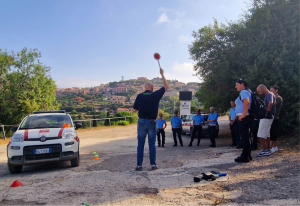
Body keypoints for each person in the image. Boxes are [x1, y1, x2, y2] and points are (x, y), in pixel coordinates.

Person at [133, 68, 169, 171]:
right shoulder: (155, 95)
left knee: (140, 144)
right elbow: (166, 86)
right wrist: (162, 74)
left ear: (145, 88)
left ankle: (139, 166)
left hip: (141, 122)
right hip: (153, 122)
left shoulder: (139, 96)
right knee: (152, 144)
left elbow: (134, 110)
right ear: (152, 88)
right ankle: (153, 165)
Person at [234, 78, 253, 163]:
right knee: (247, 136)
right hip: (246, 116)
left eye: (237, 85)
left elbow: (247, 102)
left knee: (245, 137)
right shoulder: (247, 91)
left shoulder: (243, 92)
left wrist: (243, 115)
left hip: (244, 117)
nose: (236, 87)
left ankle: (244, 156)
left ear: (242, 84)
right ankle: (247, 155)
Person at [256, 84, 276, 157]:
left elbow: (271, 102)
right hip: (270, 117)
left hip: (266, 117)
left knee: (260, 134)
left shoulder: (269, 94)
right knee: (266, 134)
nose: (259, 93)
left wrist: (266, 111)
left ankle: (264, 150)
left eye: (259, 91)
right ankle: (267, 149)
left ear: (263, 88)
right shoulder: (269, 94)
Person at [270, 85, 283, 153]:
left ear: (276, 90)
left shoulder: (278, 98)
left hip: (275, 117)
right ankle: (274, 147)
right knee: (272, 132)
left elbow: (272, 105)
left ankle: (271, 147)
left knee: (273, 132)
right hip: (272, 117)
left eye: (272, 90)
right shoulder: (273, 97)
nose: (270, 92)